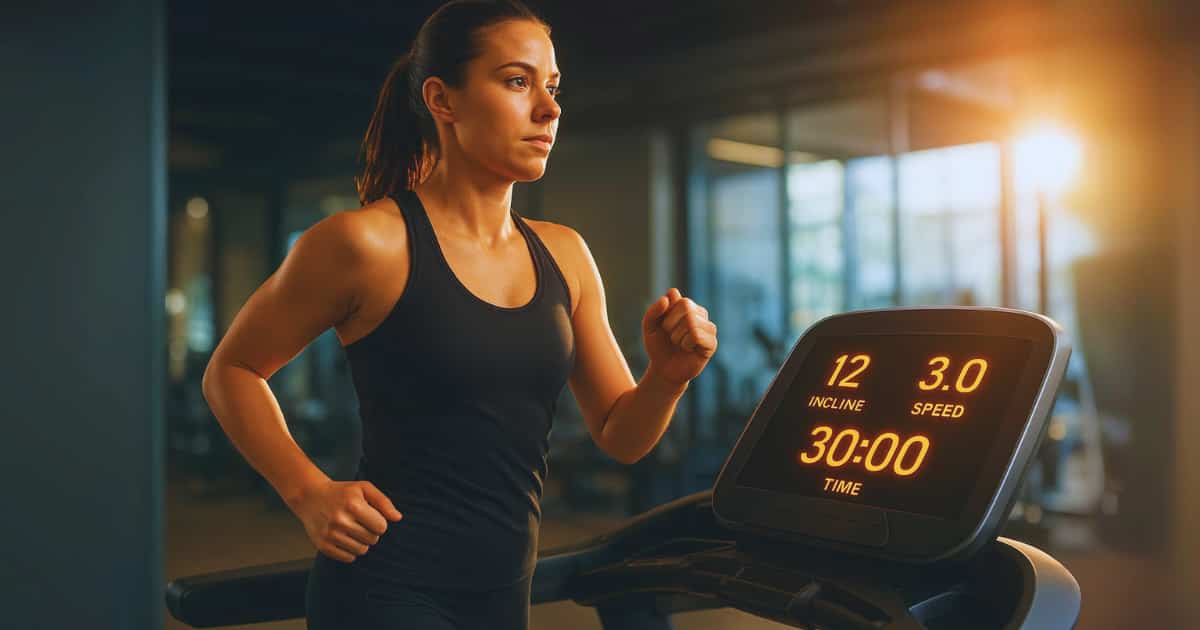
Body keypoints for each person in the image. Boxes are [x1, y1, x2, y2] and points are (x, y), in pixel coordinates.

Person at [201, 1, 718, 628]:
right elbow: (233, 369)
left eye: (552, 87)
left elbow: (621, 434)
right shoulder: (365, 244)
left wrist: (667, 376)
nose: (549, 109)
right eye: (517, 81)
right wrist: (307, 490)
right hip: (384, 590)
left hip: (504, 597)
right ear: (443, 100)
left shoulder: (565, 254)